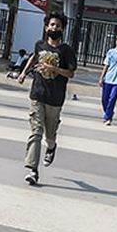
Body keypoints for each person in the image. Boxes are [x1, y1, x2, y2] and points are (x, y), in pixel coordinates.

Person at [17, 10, 76, 185]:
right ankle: (32, 169)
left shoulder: (66, 51)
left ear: (62, 29)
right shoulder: (40, 45)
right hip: (38, 94)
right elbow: (34, 58)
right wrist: (23, 73)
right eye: (52, 25)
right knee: (36, 131)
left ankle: (51, 147)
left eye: (58, 25)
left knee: (49, 135)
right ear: (46, 27)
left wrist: (54, 69)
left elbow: (71, 73)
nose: (54, 28)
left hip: (55, 98)